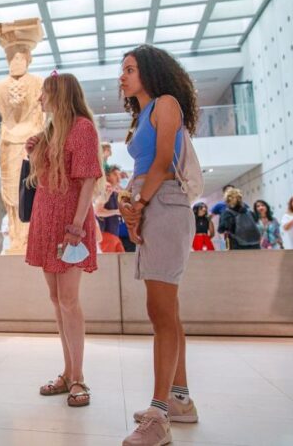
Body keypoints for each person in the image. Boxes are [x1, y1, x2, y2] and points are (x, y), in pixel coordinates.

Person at [118, 45, 199, 446]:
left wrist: (138, 205)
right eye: (122, 70)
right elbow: (142, 169)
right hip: (153, 205)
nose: (123, 76)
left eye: (130, 69)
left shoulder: (166, 104)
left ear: (150, 71)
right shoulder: (142, 116)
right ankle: (179, 400)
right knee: (167, 310)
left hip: (164, 204)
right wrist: (131, 205)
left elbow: (164, 161)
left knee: (161, 311)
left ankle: (159, 414)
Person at [24, 73, 104, 407]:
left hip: (70, 223)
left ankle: (78, 377)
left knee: (68, 300)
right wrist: (35, 151)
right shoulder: (51, 131)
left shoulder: (82, 128)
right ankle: (69, 372)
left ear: (59, 94)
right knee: (57, 299)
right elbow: (42, 178)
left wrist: (76, 227)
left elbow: (87, 181)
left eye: (44, 93)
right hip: (47, 220)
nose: (39, 99)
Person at [95, 164, 125, 254]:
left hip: (113, 235)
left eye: (119, 174)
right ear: (107, 176)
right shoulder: (106, 188)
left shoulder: (114, 191)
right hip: (106, 236)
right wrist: (117, 211)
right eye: (115, 174)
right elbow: (98, 211)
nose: (118, 177)